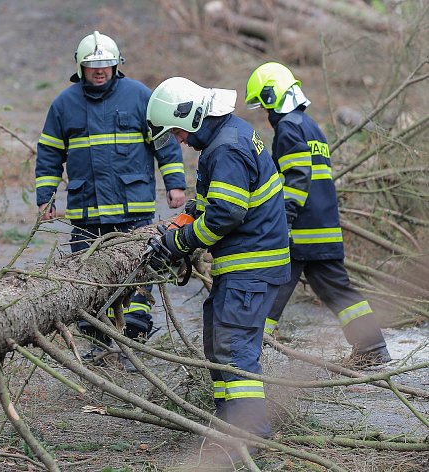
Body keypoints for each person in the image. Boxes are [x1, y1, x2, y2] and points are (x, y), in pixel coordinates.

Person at [146, 77, 291, 440]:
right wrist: (189, 215)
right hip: (248, 266)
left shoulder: (225, 147)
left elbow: (226, 214)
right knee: (219, 343)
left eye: (177, 132)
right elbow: (218, 199)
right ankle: (229, 423)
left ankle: (250, 437)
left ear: (192, 116)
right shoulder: (229, 134)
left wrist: (179, 242)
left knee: (234, 351)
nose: (178, 140)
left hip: (250, 267)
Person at [35, 31, 187, 360]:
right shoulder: (64, 104)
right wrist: (45, 197)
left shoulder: (139, 96)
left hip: (135, 213)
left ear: (118, 65)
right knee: (85, 281)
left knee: (139, 275)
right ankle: (98, 344)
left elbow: (164, 143)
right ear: (80, 67)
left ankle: (135, 340)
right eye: (93, 65)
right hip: (88, 214)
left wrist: (175, 183)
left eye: (106, 64)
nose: (100, 70)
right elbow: (49, 154)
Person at [244, 62, 391, 367]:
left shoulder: (287, 128)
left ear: (272, 96)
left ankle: (248, 351)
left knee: (271, 284)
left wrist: (281, 220)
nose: (264, 112)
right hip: (323, 227)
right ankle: (373, 347)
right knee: (340, 292)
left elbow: (296, 178)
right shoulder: (311, 126)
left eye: (262, 104)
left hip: (299, 231)